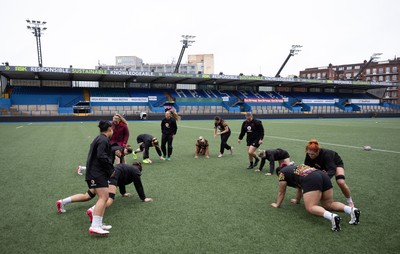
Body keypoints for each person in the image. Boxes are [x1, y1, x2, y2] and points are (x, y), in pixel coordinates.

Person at [56, 120, 114, 236]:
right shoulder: (103, 140)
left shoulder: (99, 139)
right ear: (109, 130)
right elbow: (101, 156)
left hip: (95, 173)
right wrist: (110, 170)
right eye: (112, 129)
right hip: (97, 173)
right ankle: (95, 226)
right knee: (103, 197)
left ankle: (99, 223)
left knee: (104, 197)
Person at [271, 163, 361, 232]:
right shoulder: (294, 168)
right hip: (322, 175)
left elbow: (281, 191)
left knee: (310, 207)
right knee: (328, 204)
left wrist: (277, 204)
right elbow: (299, 188)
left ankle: (332, 217)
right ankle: (351, 210)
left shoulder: (282, 173)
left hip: (311, 178)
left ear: (279, 173)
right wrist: (297, 200)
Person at [57, 162, 153, 222]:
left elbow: (122, 181)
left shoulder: (127, 168)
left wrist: (123, 193)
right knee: (109, 199)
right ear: (139, 170)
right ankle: (93, 210)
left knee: (87, 196)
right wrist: (144, 198)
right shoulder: (136, 171)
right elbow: (138, 185)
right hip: (112, 177)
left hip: (103, 175)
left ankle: (62, 202)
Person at [304, 139, 355, 207]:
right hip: (321, 165)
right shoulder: (309, 154)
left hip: (335, 164)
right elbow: (307, 167)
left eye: (312, 154)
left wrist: (324, 177)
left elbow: (332, 169)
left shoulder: (326, 154)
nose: (310, 156)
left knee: (340, 182)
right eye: (309, 153)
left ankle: (350, 201)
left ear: (318, 151)